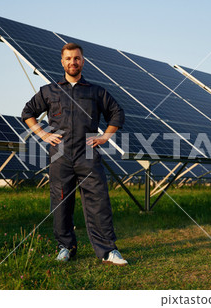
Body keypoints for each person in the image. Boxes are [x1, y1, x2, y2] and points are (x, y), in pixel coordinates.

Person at [22, 42, 127, 266]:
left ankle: (108, 251)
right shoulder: (49, 91)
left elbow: (116, 113)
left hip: (88, 154)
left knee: (99, 202)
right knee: (60, 204)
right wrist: (42, 134)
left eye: (76, 58)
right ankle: (65, 247)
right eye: (68, 58)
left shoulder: (96, 91)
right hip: (60, 155)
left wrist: (105, 137)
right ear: (62, 62)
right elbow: (28, 113)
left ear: (83, 61)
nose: (73, 62)